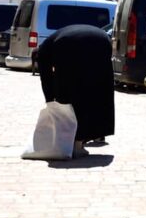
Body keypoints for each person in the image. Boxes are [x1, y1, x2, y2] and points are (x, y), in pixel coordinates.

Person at [36, 24, 114, 157]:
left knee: (71, 94)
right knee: (99, 89)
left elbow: (46, 79)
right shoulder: (49, 44)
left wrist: (51, 101)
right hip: (102, 39)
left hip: (68, 44)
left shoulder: (44, 53)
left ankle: (76, 143)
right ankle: (96, 134)